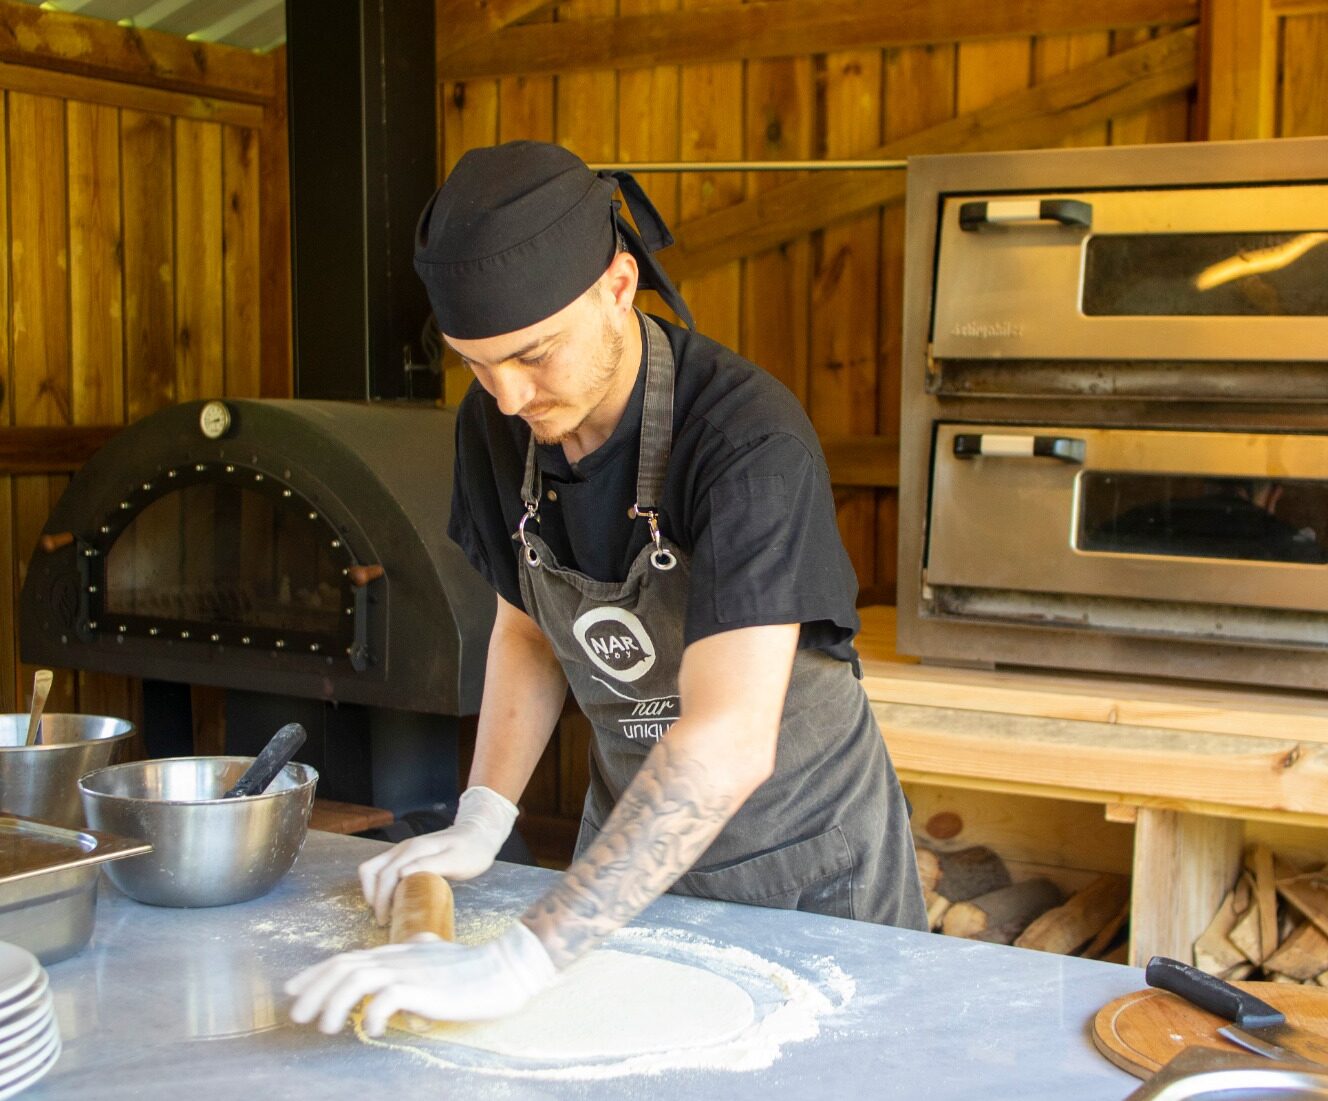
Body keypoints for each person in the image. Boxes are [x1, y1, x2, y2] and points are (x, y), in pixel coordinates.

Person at [286, 140, 926, 1037]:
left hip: (806, 867)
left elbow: (730, 740)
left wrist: (520, 957)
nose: (507, 397)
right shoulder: (496, 429)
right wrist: (484, 813)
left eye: (533, 355)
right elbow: (528, 632)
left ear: (619, 286)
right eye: (475, 364)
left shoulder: (747, 441)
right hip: (625, 865)